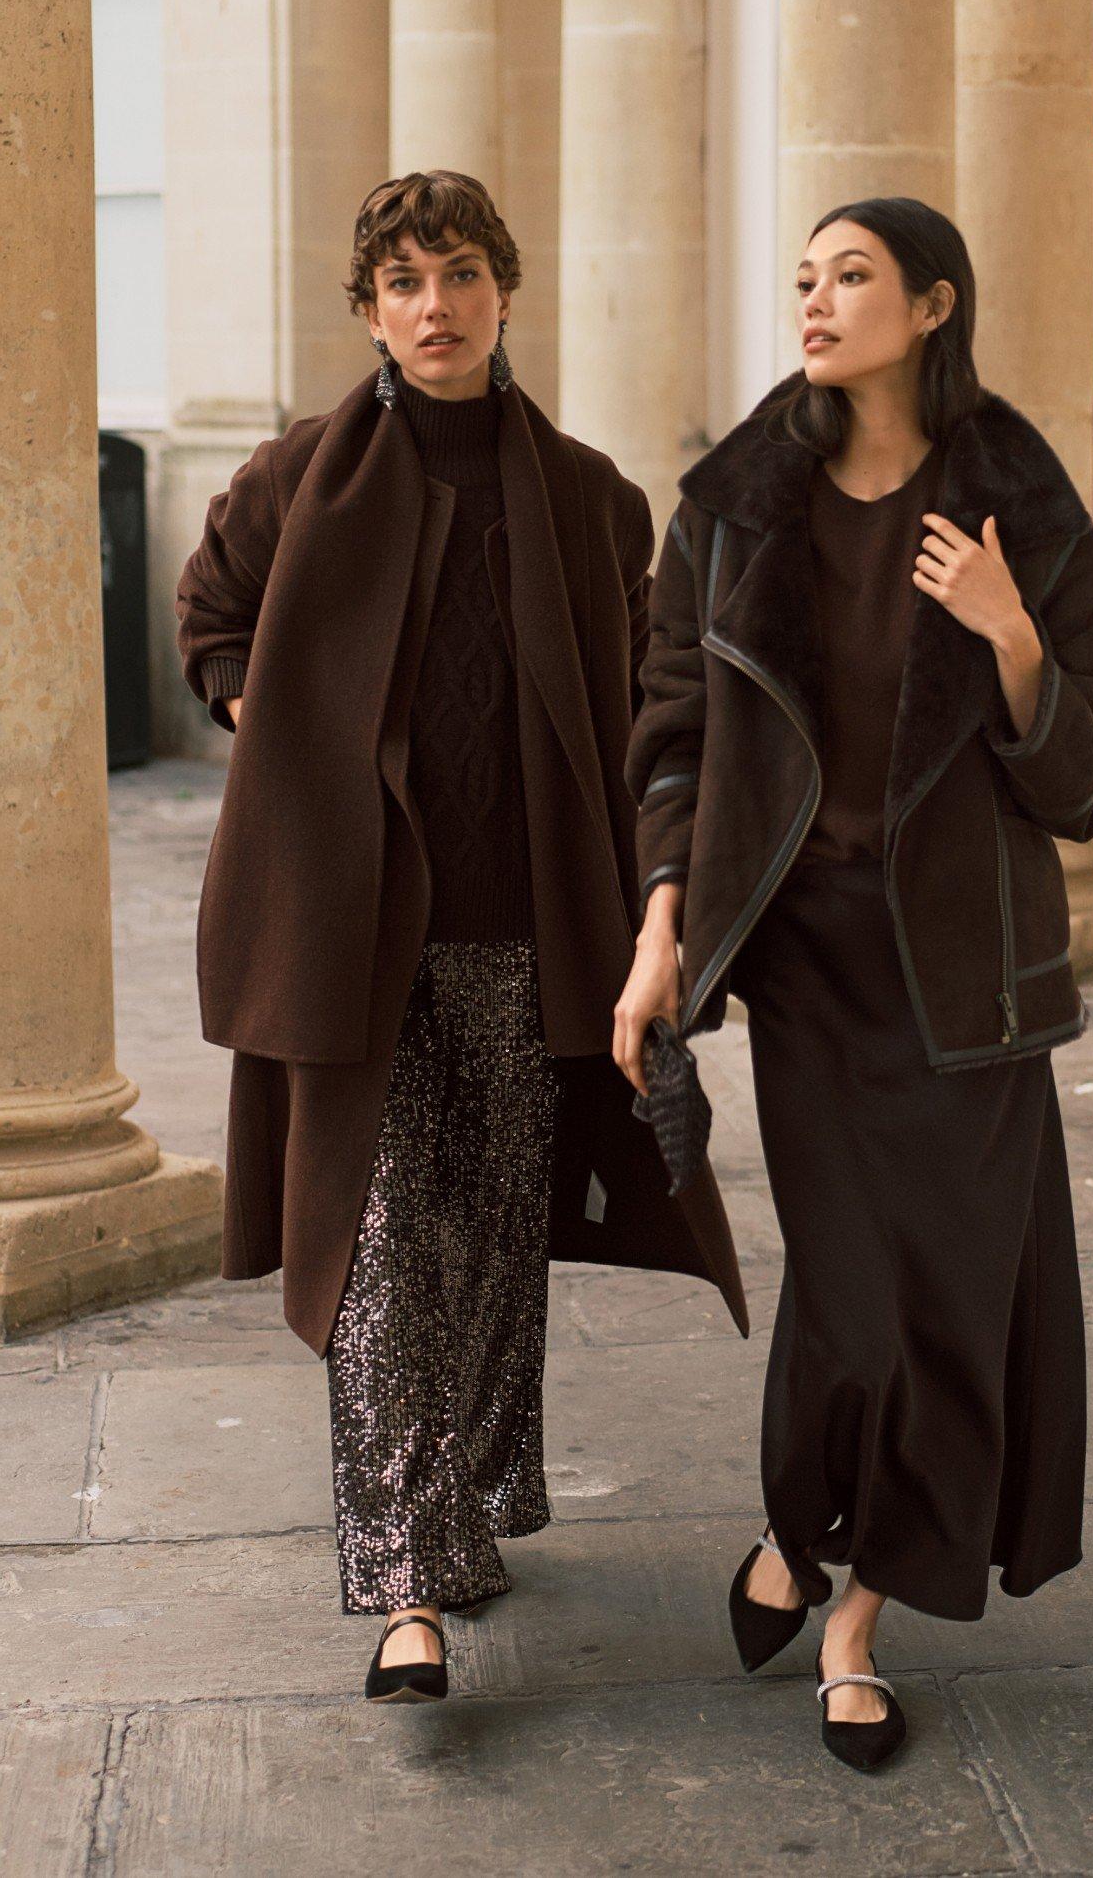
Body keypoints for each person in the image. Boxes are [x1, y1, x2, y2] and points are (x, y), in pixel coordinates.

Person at [176, 170, 745, 1706]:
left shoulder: (587, 495)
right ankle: (403, 1581)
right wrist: (271, 710)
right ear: (368, 309)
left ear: (507, 291)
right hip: (359, 938)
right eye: (405, 282)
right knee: (376, 1247)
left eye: (462, 274)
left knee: (495, 1237)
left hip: (531, 930)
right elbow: (211, 622)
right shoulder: (297, 478)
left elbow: (641, 708)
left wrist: (661, 904)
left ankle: (477, 1500)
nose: (435, 306)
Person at [617, 196, 1093, 1770]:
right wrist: (661, 926)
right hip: (809, 963)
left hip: (966, 973)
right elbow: (672, 732)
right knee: (851, 1291)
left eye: (850, 275)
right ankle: (798, 1518)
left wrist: (1014, 643)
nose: (816, 298)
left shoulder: (1012, 496)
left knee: (952, 1298)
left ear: (931, 305)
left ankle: (855, 1611)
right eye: (803, 276)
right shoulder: (734, 506)